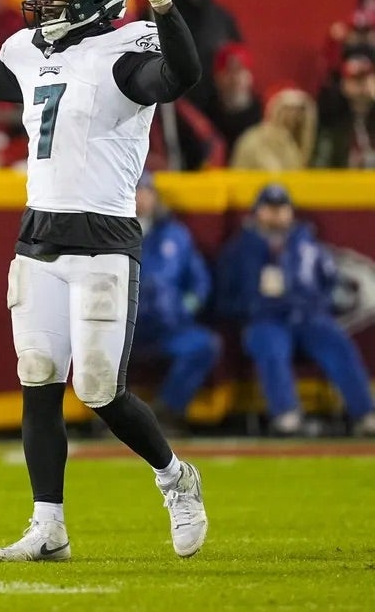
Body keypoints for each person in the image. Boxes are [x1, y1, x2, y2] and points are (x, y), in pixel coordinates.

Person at [0, 0, 208, 562]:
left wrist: (160, 1)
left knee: (99, 390)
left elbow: (182, 76)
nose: (44, 5)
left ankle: (175, 477)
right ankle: (49, 527)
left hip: (103, 241)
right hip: (38, 238)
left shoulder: (124, 54)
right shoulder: (29, 53)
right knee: (38, 378)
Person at [216, 184, 375, 436]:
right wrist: (252, 308)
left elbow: (332, 286)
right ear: (257, 212)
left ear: (290, 211)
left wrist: (317, 304)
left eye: (281, 208)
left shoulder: (309, 245)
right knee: (270, 344)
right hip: (265, 320)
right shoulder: (239, 250)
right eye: (270, 208)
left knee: (337, 342)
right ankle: (286, 415)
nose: (276, 214)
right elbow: (223, 298)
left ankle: (365, 414)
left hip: (308, 317)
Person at [133, 171, 220, 428]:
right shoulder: (111, 234)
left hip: (169, 326)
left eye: (145, 191)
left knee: (204, 345)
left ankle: (167, 410)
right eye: (134, 191)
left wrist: (184, 307)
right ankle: (115, 417)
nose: (140, 197)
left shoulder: (176, 235)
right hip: (125, 329)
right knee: (96, 347)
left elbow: (200, 282)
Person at [164, 0, 242, 109]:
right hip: (172, 103)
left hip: (215, 104)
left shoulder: (222, 18)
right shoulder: (159, 15)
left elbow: (237, 57)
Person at [230, 83, 316, 170]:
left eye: (299, 111)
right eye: (288, 109)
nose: (293, 116)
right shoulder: (256, 140)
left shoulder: (303, 144)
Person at [314, 50, 375, 168]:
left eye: (366, 79)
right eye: (356, 80)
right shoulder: (332, 114)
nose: (363, 85)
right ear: (343, 83)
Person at [203, 42, 261, 152]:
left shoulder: (264, 115)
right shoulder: (205, 118)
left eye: (240, 70)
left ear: (250, 76)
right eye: (228, 71)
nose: (235, 78)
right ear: (216, 77)